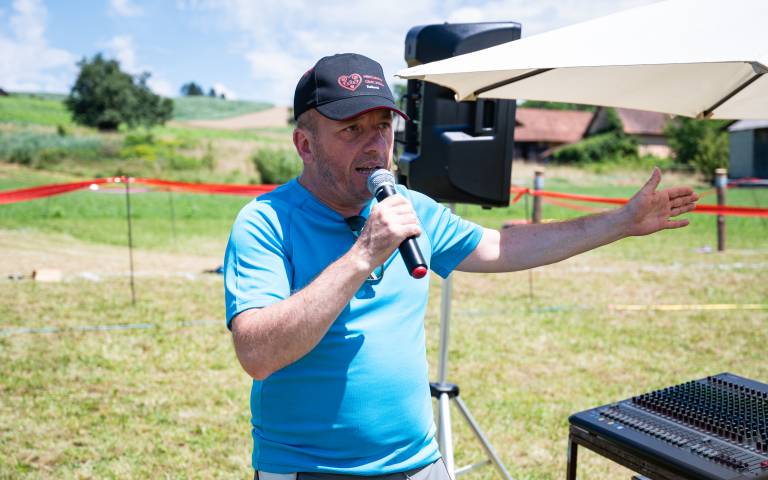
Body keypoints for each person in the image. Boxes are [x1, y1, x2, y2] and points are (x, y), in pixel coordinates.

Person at [223, 53, 698, 480]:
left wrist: (620, 222)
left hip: (418, 462)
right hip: (312, 470)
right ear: (305, 145)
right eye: (352, 130)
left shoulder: (407, 206)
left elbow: (502, 247)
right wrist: (362, 255)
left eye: (383, 126)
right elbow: (257, 354)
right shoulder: (267, 222)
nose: (375, 145)